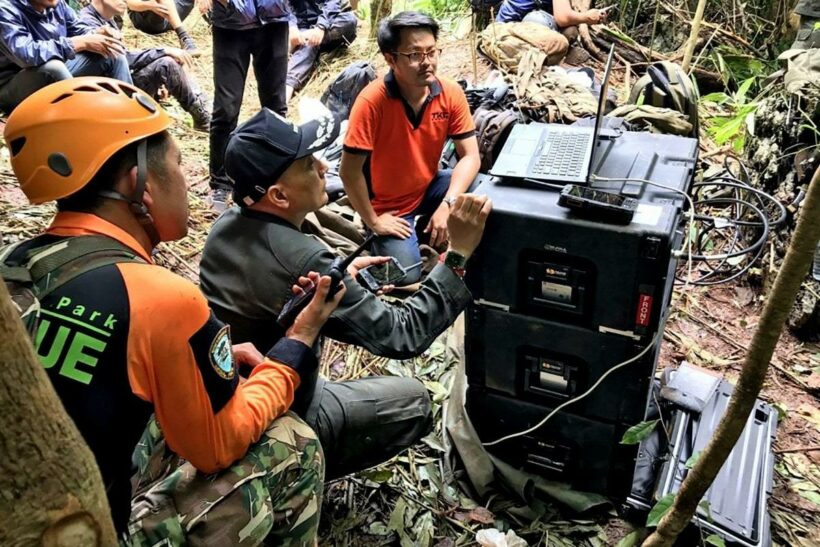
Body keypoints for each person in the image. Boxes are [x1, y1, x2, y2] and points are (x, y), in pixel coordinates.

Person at [2, 77, 341, 544]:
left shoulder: (15, 264)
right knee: (293, 445)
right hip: (87, 529)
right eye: (179, 164)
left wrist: (198, 363)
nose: (187, 179)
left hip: (26, 506)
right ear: (136, 181)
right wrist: (295, 346)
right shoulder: (161, 298)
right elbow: (217, 447)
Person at [199, 107, 492, 479]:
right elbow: (403, 334)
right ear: (279, 195)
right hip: (279, 417)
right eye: (308, 165)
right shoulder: (303, 257)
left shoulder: (226, 224)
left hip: (236, 399)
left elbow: (268, 285)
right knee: (415, 402)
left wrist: (344, 277)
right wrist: (458, 255)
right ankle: (298, 469)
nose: (323, 167)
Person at [339, 11, 481, 284]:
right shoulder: (372, 102)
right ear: (391, 59)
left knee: (481, 194)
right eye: (415, 55)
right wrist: (374, 221)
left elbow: (471, 156)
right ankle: (377, 249)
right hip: (388, 206)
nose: (427, 62)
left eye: (432, 52)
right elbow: (349, 171)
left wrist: (447, 204)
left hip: (428, 186)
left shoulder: (449, 92)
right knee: (406, 275)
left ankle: (431, 230)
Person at [208, 0, 292, 211]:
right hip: (230, 23)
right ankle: (220, 183)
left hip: (274, 18)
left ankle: (275, 173)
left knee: (275, 107)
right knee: (226, 108)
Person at [79, 0, 211, 131]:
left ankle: (201, 114)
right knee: (166, 61)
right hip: (104, 97)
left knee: (168, 63)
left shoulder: (108, 20)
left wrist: (158, 79)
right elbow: (121, 58)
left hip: (119, 84)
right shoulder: (86, 21)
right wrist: (163, 50)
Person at [0, 0, 131, 114]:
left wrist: (96, 33)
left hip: (59, 75)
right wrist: (77, 43)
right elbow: (26, 55)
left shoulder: (57, 4)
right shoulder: (5, 9)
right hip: (13, 86)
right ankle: (83, 125)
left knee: (113, 54)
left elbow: (78, 29)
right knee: (53, 68)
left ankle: (129, 114)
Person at [286, 0, 358, 101]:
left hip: (328, 27)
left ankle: (306, 41)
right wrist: (292, 27)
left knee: (350, 20)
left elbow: (332, 3)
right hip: (301, 29)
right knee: (308, 44)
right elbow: (284, 6)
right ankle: (288, 86)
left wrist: (321, 27)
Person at [495, 0, 608, 41]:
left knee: (570, 31)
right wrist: (587, 17)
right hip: (507, 30)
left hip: (502, 25)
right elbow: (563, 18)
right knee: (569, 32)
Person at [126, 0, 201, 54]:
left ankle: (211, 21)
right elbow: (130, 4)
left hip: (169, 13)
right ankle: (184, 37)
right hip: (144, 17)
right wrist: (149, 5)